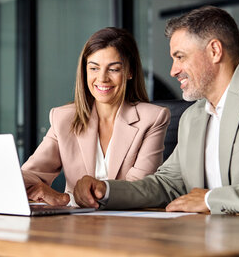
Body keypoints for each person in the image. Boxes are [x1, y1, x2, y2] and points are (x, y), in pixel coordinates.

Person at [74, 6, 239, 217]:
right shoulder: (194, 117)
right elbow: (166, 184)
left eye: (180, 56)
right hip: (218, 241)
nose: (173, 70)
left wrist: (211, 199)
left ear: (214, 50)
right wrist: (105, 190)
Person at [21, 27, 170, 206]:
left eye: (113, 69)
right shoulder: (63, 118)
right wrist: (5, 176)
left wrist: (65, 199)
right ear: (85, 71)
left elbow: (138, 190)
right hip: (77, 225)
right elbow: (33, 173)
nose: (102, 78)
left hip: (127, 223)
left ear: (130, 72)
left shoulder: (153, 118)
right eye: (94, 68)